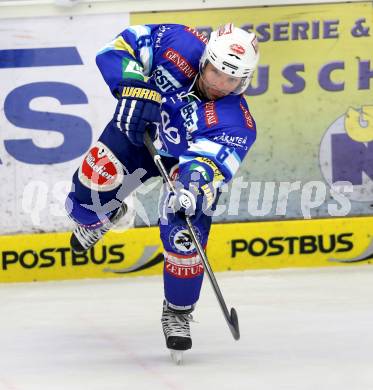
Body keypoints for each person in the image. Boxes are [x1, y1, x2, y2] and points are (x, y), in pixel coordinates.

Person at [65, 22, 259, 358]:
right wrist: (132, 86)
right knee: (85, 199)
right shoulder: (178, 42)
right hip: (137, 129)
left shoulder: (236, 120)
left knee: (183, 227)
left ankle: (179, 312)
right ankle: (104, 216)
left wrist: (192, 188)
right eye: (215, 72)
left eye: (233, 79)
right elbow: (115, 48)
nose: (221, 84)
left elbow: (207, 166)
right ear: (205, 60)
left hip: (181, 163)